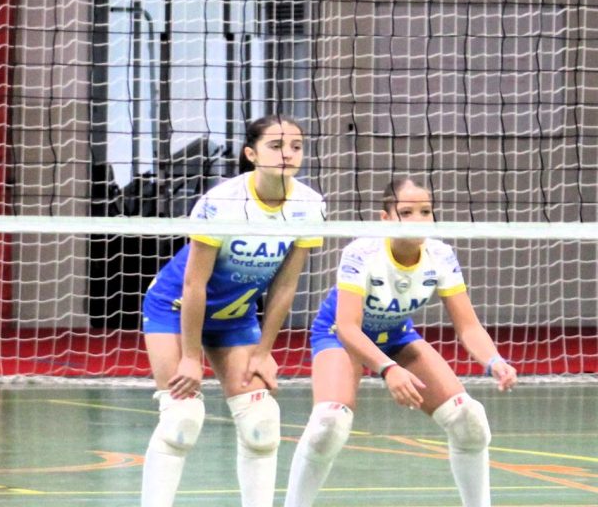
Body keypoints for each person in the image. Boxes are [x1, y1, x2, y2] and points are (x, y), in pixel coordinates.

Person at [283, 177, 517, 507]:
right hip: (340, 337)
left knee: (469, 421)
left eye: (426, 211)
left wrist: (494, 361)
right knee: (328, 424)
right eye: (406, 212)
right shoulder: (361, 253)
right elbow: (348, 327)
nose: (418, 220)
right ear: (386, 218)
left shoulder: (440, 255)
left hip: (396, 335)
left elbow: (468, 326)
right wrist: (388, 369)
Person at [141, 115, 326, 507]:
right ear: (251, 154)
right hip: (175, 307)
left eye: (296, 146)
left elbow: (285, 285)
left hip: (234, 316)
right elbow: (194, 284)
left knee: (262, 424)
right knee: (181, 420)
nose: (287, 153)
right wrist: (190, 357)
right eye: (275, 146)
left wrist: (263, 352)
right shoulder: (222, 202)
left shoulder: (309, 205)